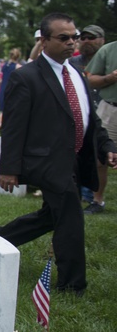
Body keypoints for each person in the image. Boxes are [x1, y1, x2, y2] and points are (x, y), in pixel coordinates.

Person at [0, 13, 116, 294]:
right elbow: (14, 126)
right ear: (44, 41)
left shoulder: (77, 74)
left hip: (73, 157)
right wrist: (8, 168)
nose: (72, 43)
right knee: (71, 215)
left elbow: (88, 118)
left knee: (52, 215)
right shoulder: (26, 77)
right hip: (44, 161)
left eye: (74, 36)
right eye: (63, 38)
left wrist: (107, 146)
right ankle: (72, 285)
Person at [70, 25, 105, 212]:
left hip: (104, 109)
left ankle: (97, 198)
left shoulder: (108, 60)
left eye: (91, 38)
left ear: (102, 40)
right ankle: (84, 192)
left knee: (101, 155)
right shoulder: (73, 62)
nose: (86, 41)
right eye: (82, 38)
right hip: (80, 113)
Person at [0, 47, 23, 113]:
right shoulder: (18, 67)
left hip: (3, 89)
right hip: (12, 89)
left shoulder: (5, 65)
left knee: (2, 111)